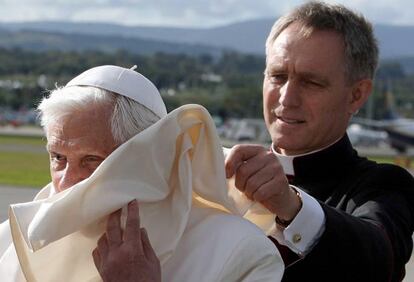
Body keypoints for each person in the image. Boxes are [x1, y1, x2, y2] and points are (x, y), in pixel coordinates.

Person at [0, 65, 284, 281]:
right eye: (58, 158)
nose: (67, 181)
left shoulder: (240, 249)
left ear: (148, 158)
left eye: (91, 160)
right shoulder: (12, 237)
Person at [224, 1, 414, 281]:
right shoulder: (217, 179)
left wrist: (291, 206)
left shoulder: (384, 186)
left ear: (356, 95)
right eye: (277, 76)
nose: (287, 99)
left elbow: (378, 260)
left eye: (311, 82)